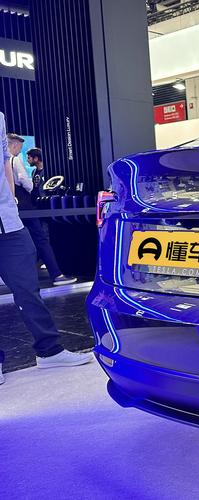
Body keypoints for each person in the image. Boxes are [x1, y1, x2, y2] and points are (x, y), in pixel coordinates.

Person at [0, 114, 91, 385]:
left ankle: (49, 350)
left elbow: (4, 162)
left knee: (28, 288)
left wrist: (10, 200)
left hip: (9, 222)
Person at [8, 142, 76, 286]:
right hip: (27, 206)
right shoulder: (14, 160)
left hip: (21, 207)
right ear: (14, 145)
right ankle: (56, 274)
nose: (21, 153)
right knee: (41, 240)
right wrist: (31, 190)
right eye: (20, 148)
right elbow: (24, 181)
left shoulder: (8, 162)